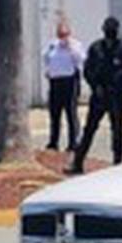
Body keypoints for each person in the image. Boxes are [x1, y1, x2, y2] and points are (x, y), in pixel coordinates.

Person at [69, 17, 122, 174]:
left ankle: (118, 163)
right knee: (89, 129)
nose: (110, 32)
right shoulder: (96, 48)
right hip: (99, 95)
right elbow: (87, 70)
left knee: (118, 130)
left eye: (112, 29)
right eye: (108, 29)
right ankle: (78, 162)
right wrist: (95, 86)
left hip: (117, 96)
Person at [42, 21, 84, 152]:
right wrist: (49, 70)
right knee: (54, 114)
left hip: (70, 81)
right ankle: (53, 142)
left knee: (71, 113)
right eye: (60, 34)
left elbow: (80, 59)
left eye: (65, 34)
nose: (62, 37)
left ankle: (74, 142)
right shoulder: (52, 45)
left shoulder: (75, 45)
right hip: (55, 82)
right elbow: (46, 57)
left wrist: (70, 48)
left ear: (69, 33)